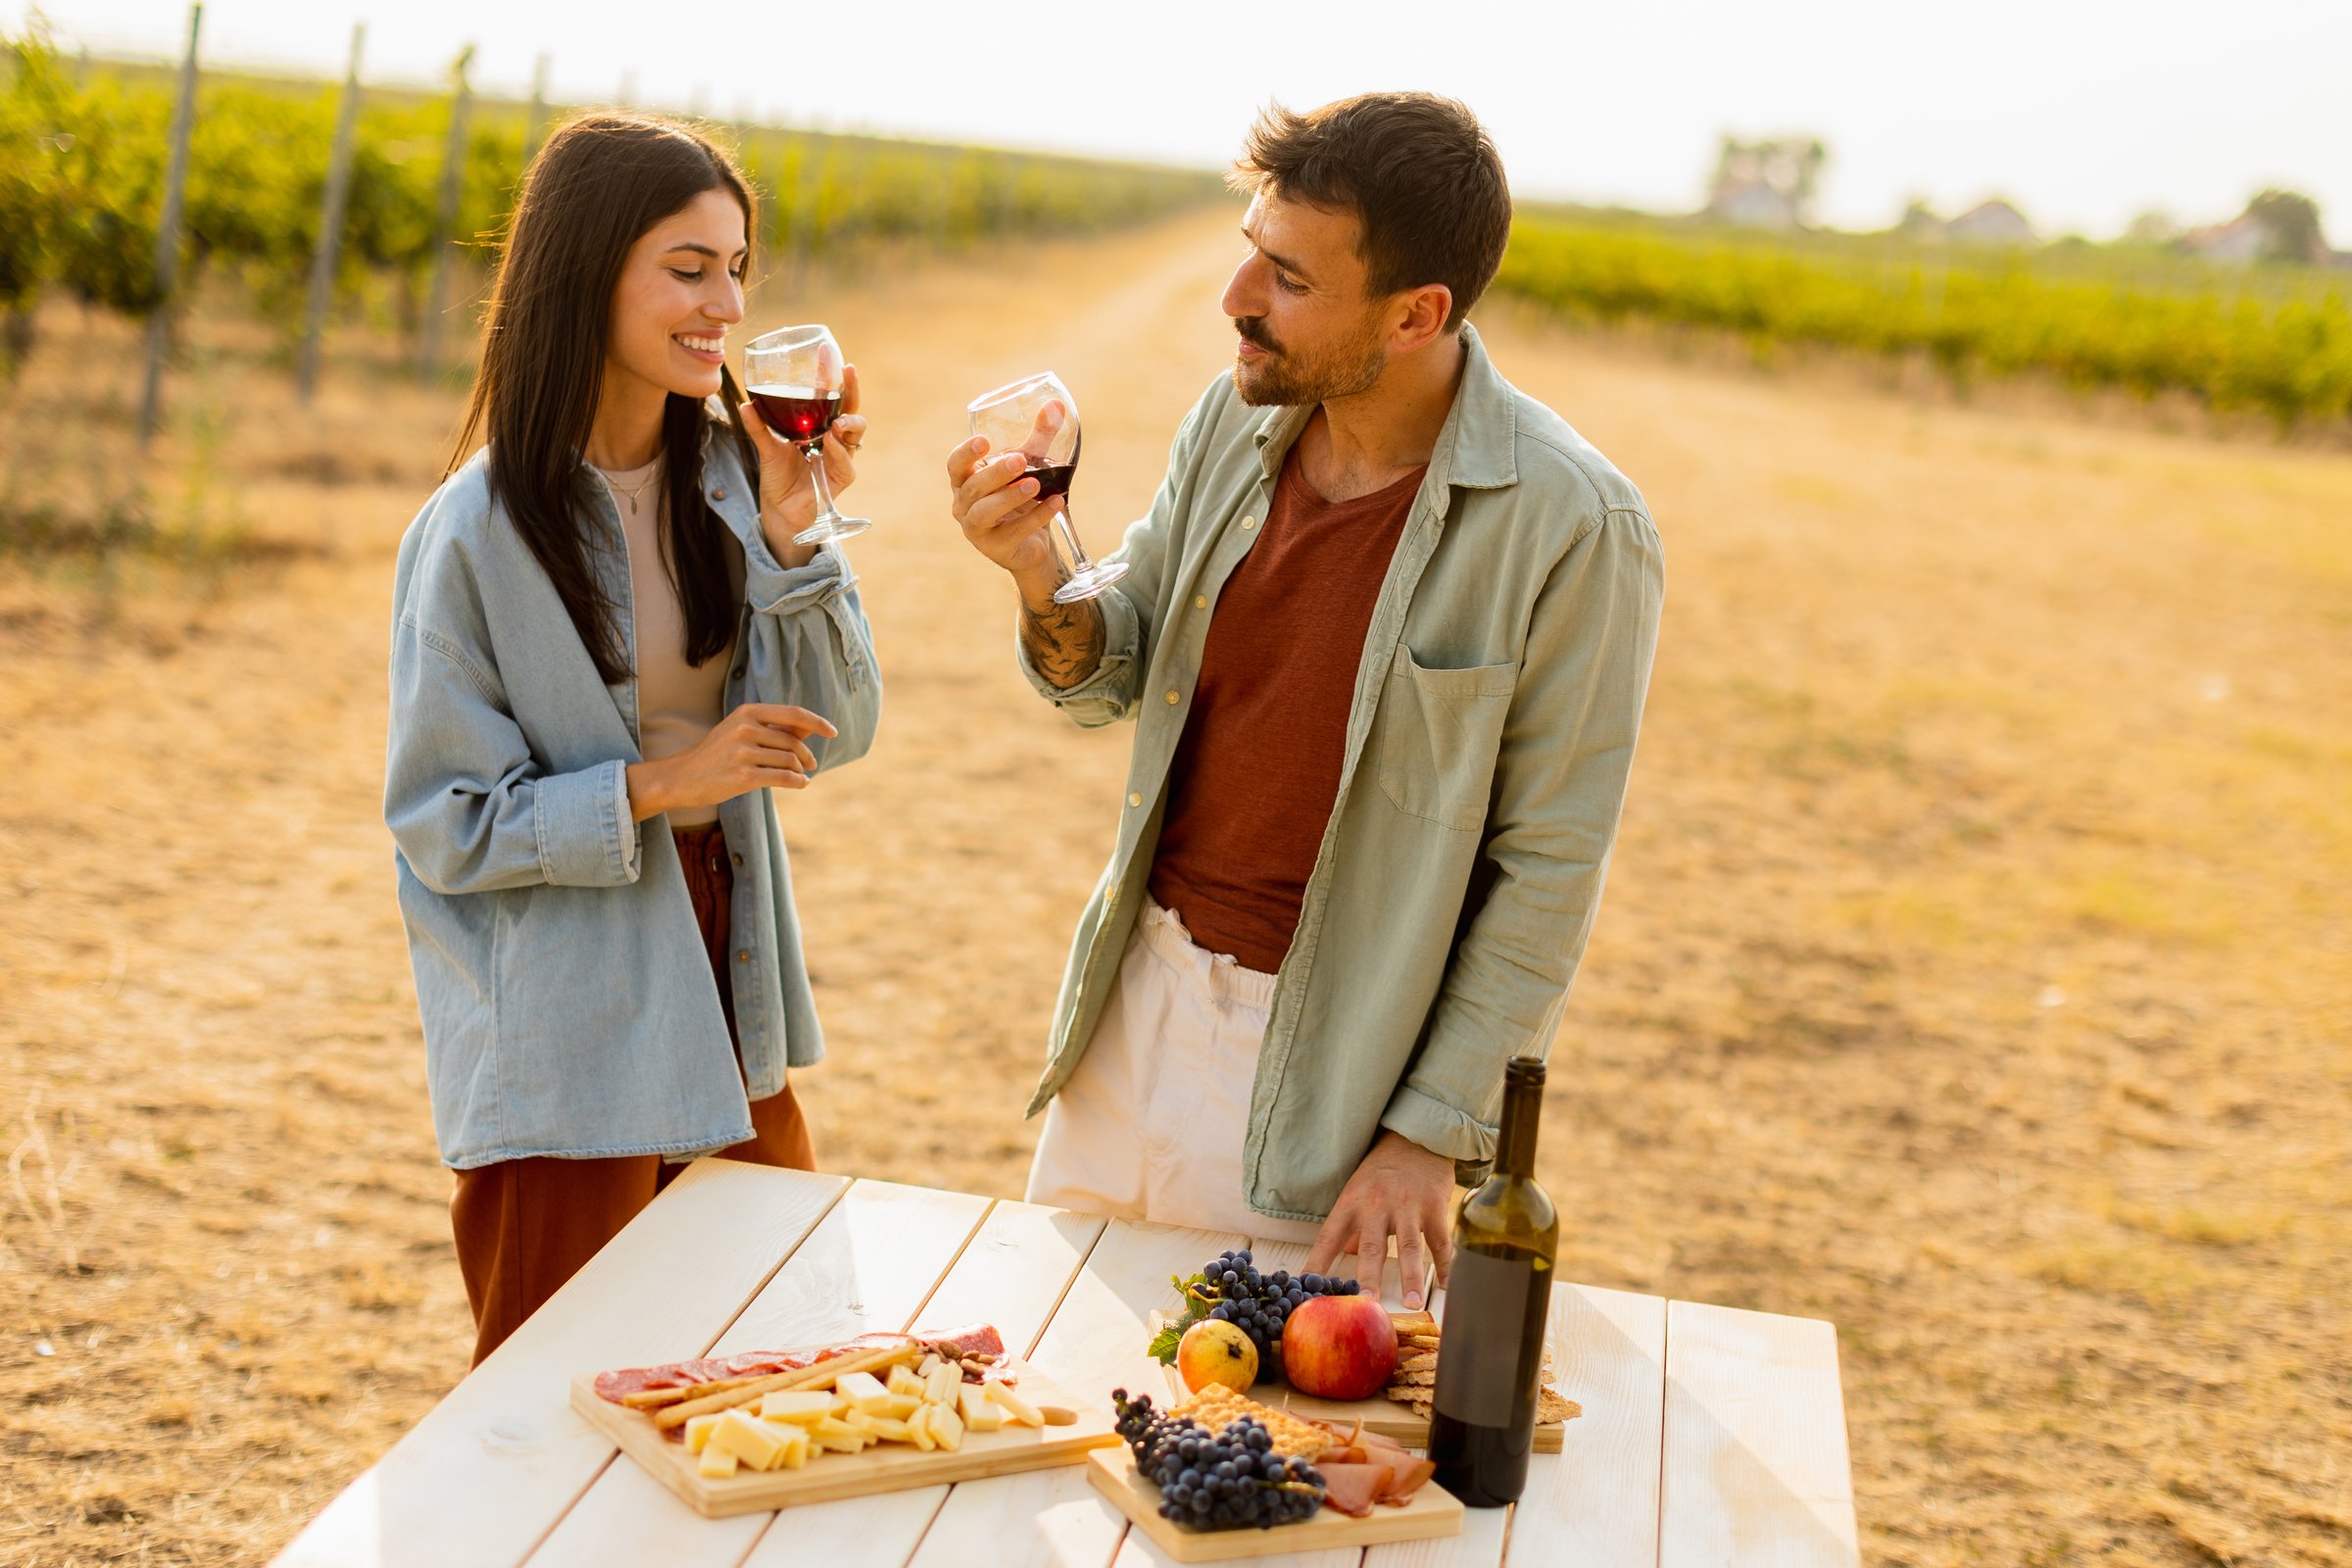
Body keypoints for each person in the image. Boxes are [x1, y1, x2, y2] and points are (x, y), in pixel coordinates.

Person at [945, 93, 1663, 1309]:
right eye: (1248, 248)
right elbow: (1106, 668)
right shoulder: (1232, 420)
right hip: (1134, 1011)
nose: (1236, 297)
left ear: (1417, 314)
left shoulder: (1576, 527)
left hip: (1339, 1087)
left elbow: (1549, 865)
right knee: (1051, 1403)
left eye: (1286, 276)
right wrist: (1036, 570)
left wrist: (1429, 1133)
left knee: (1273, 1465)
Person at [384, 114, 880, 1365]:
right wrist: (666, 782)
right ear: (587, 268)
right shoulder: (473, 532)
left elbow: (843, 725)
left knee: (784, 1361)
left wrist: (791, 534)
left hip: (729, 969)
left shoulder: (730, 480)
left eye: (737, 268)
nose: (724, 303)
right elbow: (445, 824)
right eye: (687, 267)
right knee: (552, 1395)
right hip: (569, 1014)